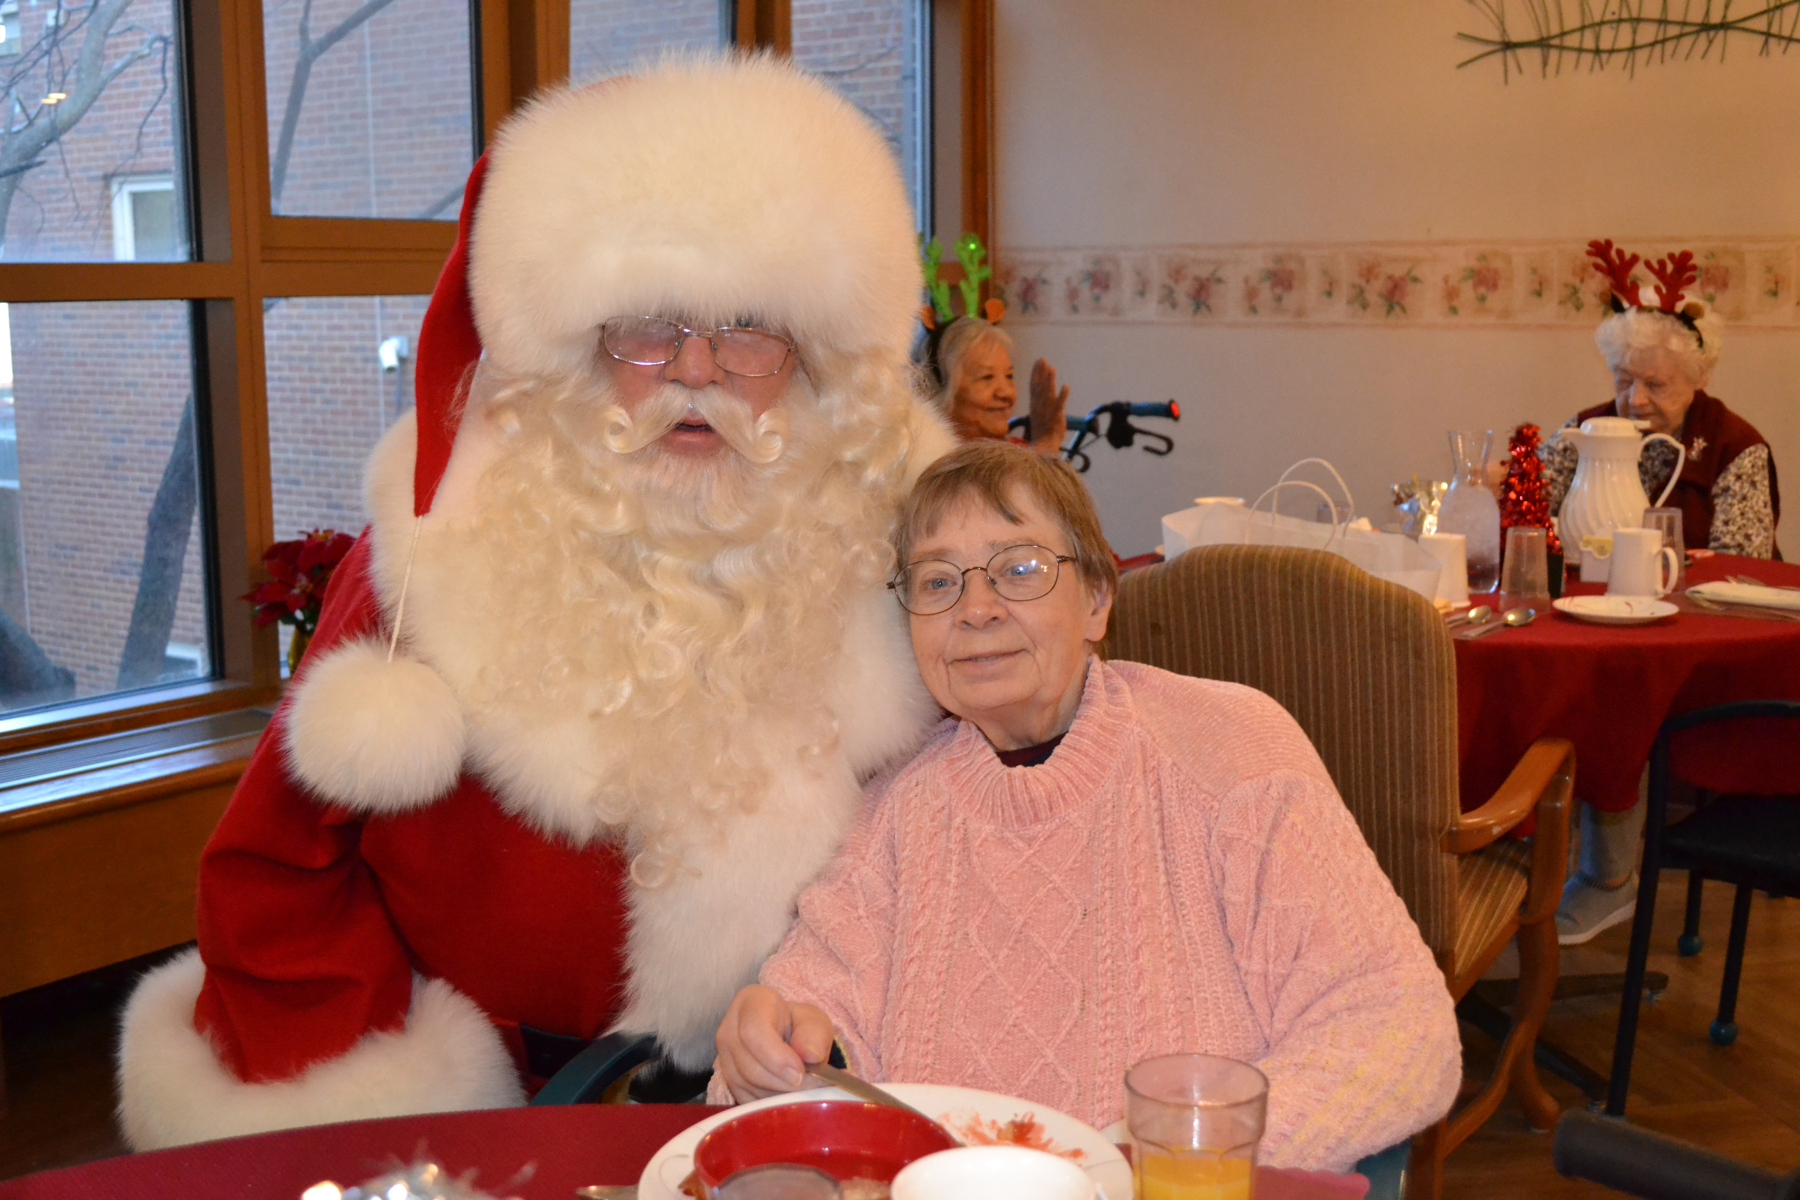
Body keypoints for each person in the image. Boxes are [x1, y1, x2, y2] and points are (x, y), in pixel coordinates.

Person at [114, 55, 957, 1151]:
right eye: (648, 327)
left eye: (751, 327)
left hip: (813, 1104)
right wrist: (381, 1101)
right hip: (502, 1116)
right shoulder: (430, 562)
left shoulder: (909, 555)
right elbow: (275, 872)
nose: (697, 370)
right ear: (575, 345)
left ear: (814, 358)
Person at [710, 441, 1461, 1173]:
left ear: (1097, 599)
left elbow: (1396, 1026)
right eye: (937, 583)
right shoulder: (893, 810)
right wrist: (776, 1053)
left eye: (1019, 570)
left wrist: (1163, 1166)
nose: (975, 609)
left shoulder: (1230, 751)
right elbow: (807, 1036)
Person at [1544, 241, 1783, 945]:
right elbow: (1532, 515)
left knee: (1620, 695)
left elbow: (1741, 567)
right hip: (1592, 621)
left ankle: (1608, 878)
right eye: (1624, 380)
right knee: (1557, 682)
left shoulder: (1734, 445)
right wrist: (1510, 481)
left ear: (1697, 379)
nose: (1636, 399)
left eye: (1656, 383)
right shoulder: (1585, 431)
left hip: (1698, 646)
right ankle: (1534, 854)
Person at [933, 315, 1070, 456]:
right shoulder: (931, 460)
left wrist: (1046, 441)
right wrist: (1046, 444)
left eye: (1009, 376)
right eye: (987, 377)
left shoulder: (1020, 451)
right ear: (939, 389)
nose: (1007, 393)